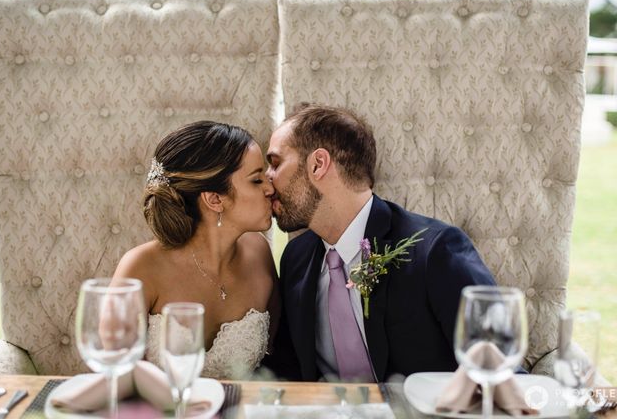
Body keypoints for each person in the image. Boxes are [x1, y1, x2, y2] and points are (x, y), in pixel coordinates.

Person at [263, 104, 497, 382]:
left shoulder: (435, 251)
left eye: (275, 163)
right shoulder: (295, 259)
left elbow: (497, 368)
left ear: (318, 164)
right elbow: (289, 371)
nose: (267, 181)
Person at [112, 121, 278, 380]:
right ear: (214, 199)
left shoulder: (260, 254)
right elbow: (115, 376)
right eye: (256, 180)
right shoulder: (140, 268)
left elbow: (276, 358)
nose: (270, 188)